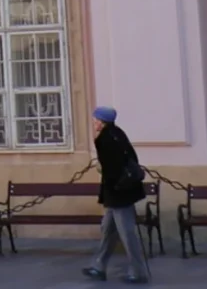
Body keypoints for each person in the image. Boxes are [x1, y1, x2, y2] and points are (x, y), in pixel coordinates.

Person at [86, 105, 151, 283]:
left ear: (102, 122)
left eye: (96, 120)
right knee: (108, 230)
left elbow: (111, 168)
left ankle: (138, 271)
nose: (94, 123)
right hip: (121, 190)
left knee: (127, 233)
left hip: (118, 193)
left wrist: (110, 182)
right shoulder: (118, 133)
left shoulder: (104, 139)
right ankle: (98, 266)